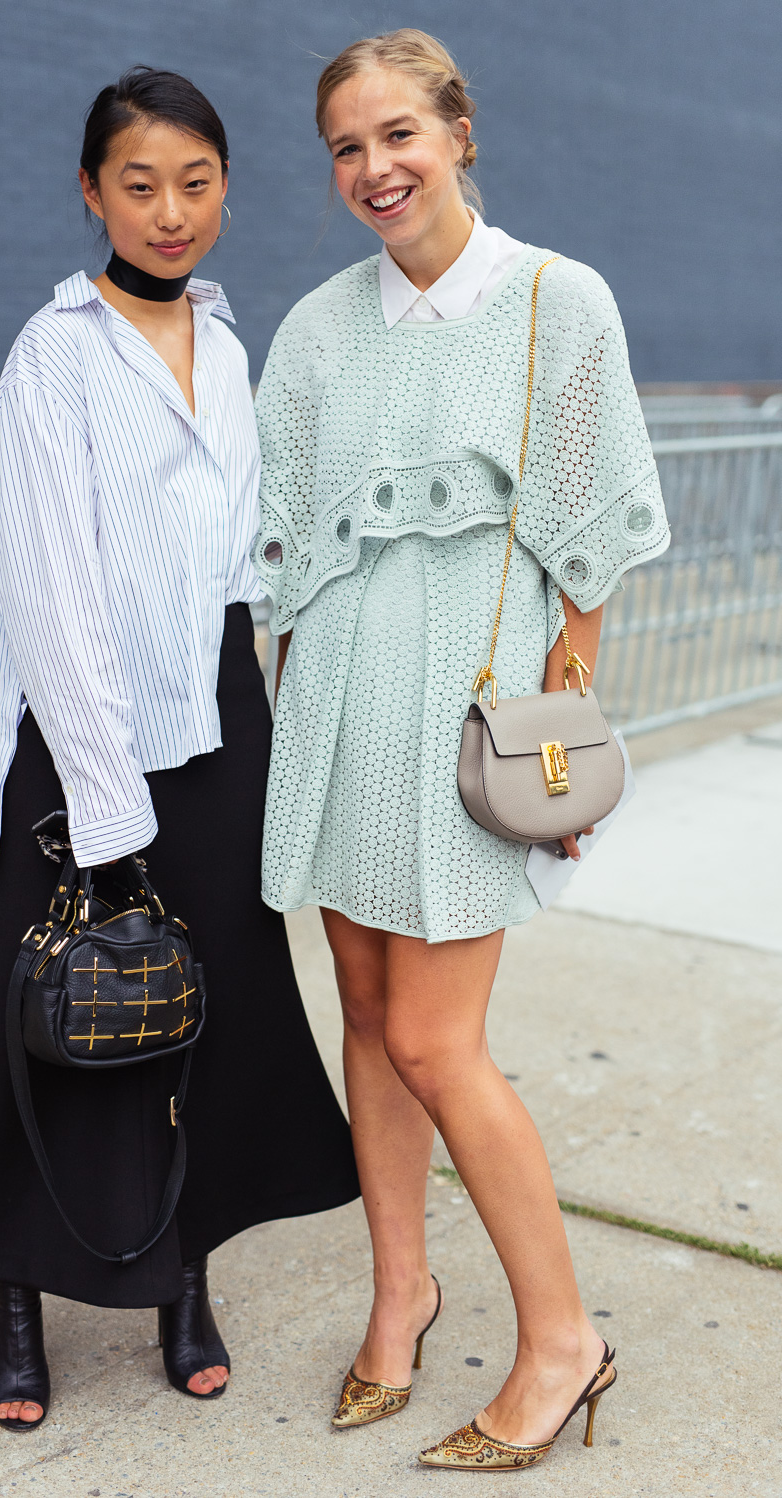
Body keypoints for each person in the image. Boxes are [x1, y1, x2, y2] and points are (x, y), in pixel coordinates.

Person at [0, 65, 358, 1431]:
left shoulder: (233, 345)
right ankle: (12, 1290)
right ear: (90, 192)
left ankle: (179, 1271)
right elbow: (50, 591)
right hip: (78, 744)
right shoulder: (52, 352)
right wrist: (106, 801)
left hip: (220, 727)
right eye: (139, 184)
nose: (170, 211)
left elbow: (253, 559)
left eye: (196, 182)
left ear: (227, 188)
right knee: (49, 1017)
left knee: (205, 1016)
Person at [252, 29, 669, 1472]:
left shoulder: (559, 303)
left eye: (398, 137)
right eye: (347, 149)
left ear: (460, 132)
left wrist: (562, 747)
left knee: (438, 1039)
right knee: (365, 1022)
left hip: (470, 718)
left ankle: (564, 1340)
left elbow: (597, 530)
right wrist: (292, 723)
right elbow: (287, 547)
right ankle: (400, 1296)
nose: (374, 169)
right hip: (341, 707)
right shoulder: (315, 330)